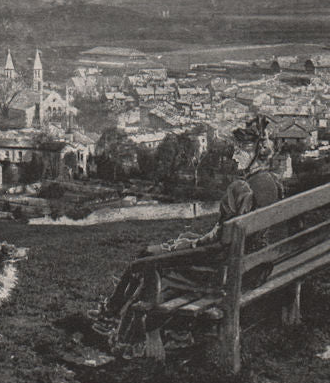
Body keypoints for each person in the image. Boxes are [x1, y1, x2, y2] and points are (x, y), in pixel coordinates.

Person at [89, 115, 283, 339]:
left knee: (145, 259)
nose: (233, 155)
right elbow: (231, 234)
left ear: (255, 154)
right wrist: (193, 240)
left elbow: (220, 242)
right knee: (158, 251)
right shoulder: (272, 182)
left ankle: (118, 322)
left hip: (221, 271)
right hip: (254, 266)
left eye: (240, 150)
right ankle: (113, 314)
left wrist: (191, 243)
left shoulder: (241, 188)